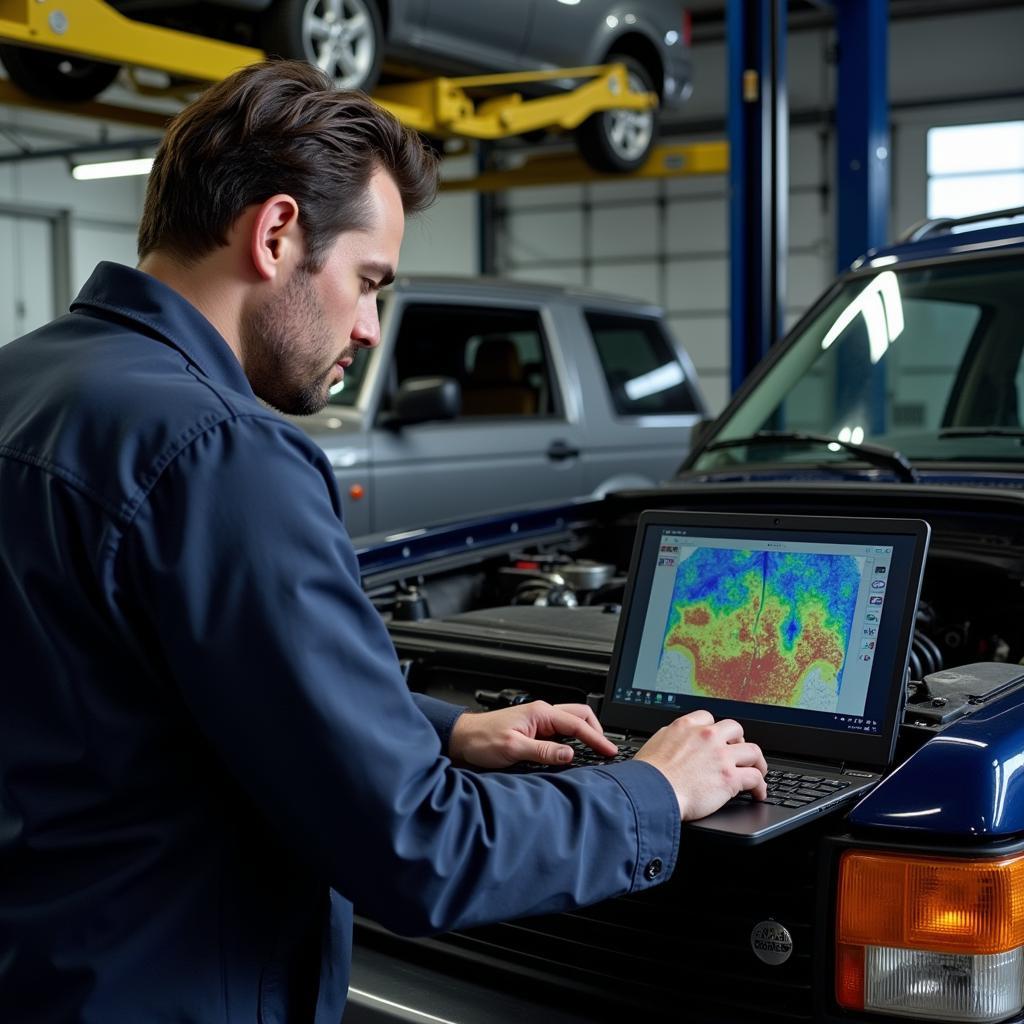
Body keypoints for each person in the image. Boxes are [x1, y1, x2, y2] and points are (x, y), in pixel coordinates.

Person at [0, 60, 767, 1022]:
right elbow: (417, 850)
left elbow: (144, 691)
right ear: (277, 234)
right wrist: (655, 791)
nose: (367, 326)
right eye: (367, 282)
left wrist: (442, 729)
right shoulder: (223, 454)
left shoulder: (25, 386)